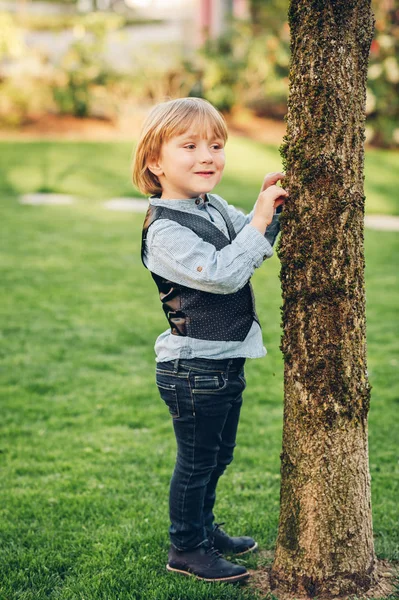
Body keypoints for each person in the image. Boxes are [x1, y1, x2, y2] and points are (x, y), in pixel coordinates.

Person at [132, 97, 287, 584]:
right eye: (191, 145)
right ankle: (186, 548)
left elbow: (250, 241)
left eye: (217, 146)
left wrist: (270, 208)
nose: (208, 156)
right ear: (154, 161)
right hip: (192, 369)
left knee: (218, 456)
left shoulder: (212, 205)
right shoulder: (164, 231)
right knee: (197, 462)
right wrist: (260, 222)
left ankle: (203, 528)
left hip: (222, 363)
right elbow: (222, 274)